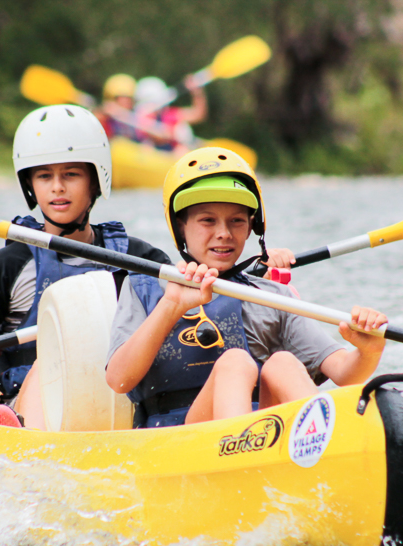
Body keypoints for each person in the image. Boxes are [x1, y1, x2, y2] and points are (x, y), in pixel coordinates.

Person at [105, 147, 388, 428]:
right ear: (181, 227)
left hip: (262, 435)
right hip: (177, 437)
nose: (224, 233)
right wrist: (171, 307)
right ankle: (238, 448)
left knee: (284, 363)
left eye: (237, 221)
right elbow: (118, 380)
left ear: (252, 226)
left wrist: (368, 352)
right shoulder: (145, 289)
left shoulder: (271, 297)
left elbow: (344, 373)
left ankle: (327, 440)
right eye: (207, 220)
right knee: (235, 363)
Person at [0, 104, 170, 428]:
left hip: (118, 405)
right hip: (32, 413)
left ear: (95, 181)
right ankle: (12, 430)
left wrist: (260, 268)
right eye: (45, 176)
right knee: (47, 364)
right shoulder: (10, 264)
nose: (57, 187)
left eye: (71, 174)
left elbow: (194, 296)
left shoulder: (137, 259)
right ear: (30, 185)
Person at [133, 76, 208, 154]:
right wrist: (172, 132)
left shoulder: (168, 114)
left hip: (171, 155)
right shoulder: (140, 116)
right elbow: (157, 134)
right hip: (154, 155)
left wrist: (197, 93)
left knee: (181, 150)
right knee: (146, 147)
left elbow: (198, 115)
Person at [96, 73, 143, 142]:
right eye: (122, 98)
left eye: (129, 99)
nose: (126, 102)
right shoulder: (104, 116)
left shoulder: (135, 117)